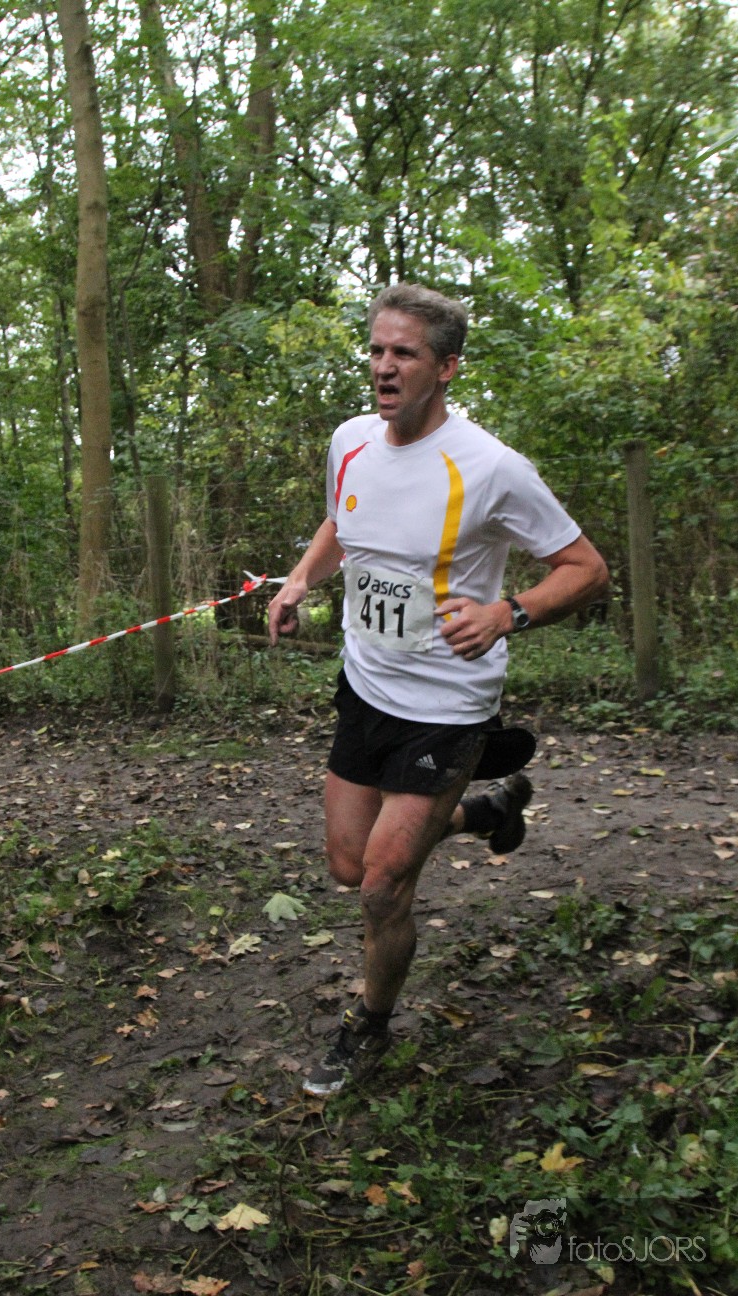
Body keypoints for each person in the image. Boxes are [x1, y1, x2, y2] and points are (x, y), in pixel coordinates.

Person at [267, 283, 609, 1097]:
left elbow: (587, 569)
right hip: (365, 687)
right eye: (377, 350)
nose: (384, 367)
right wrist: (301, 578)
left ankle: (368, 1024)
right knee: (347, 864)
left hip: (448, 707)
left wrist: (507, 614)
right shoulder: (350, 441)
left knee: (383, 886)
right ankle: (482, 812)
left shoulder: (491, 468)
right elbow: (341, 524)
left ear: (446, 367)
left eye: (405, 354)